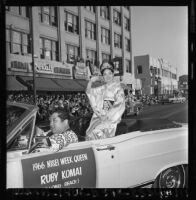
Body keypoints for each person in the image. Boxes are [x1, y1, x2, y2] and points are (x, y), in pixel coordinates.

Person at [85, 60, 125, 140]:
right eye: (105, 74)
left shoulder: (118, 88)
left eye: (109, 73)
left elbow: (118, 105)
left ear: (113, 74)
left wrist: (106, 116)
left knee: (97, 132)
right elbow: (89, 92)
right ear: (102, 75)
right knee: (89, 134)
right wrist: (91, 81)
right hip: (99, 117)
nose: (107, 76)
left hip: (110, 119)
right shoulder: (101, 88)